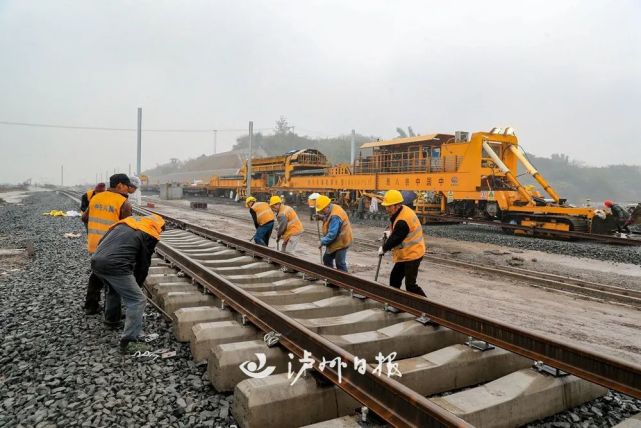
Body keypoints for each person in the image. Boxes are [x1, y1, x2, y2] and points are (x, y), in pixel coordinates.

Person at [91, 214, 165, 354]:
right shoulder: (149, 233)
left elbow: (101, 241)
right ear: (158, 226)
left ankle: (111, 321)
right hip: (116, 266)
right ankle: (129, 342)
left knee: (113, 289)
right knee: (137, 300)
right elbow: (143, 263)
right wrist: (137, 284)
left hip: (97, 261)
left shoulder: (124, 224)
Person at [82, 174, 133, 315]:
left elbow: (84, 217)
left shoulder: (96, 197)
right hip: (111, 247)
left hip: (94, 244)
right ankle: (111, 314)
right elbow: (128, 228)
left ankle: (91, 306)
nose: (128, 190)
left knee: (97, 273)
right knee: (113, 278)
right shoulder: (123, 202)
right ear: (120, 185)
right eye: (127, 186)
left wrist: (91, 233)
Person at [377, 190, 427, 297]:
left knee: (410, 285)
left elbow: (397, 238)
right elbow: (397, 232)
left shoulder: (403, 220)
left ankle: (428, 307)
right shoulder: (401, 211)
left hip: (413, 254)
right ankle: (397, 304)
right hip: (406, 254)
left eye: (389, 206)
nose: (387, 209)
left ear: (397, 205)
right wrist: (390, 232)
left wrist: (384, 248)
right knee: (394, 279)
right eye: (386, 206)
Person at [316, 195, 352, 272]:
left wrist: (322, 241)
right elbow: (328, 217)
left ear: (327, 206)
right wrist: (321, 217)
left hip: (342, 241)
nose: (322, 212)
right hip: (336, 240)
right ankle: (330, 279)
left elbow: (332, 234)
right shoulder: (332, 208)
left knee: (340, 263)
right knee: (327, 259)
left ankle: (344, 282)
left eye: (322, 210)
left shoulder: (335, 216)